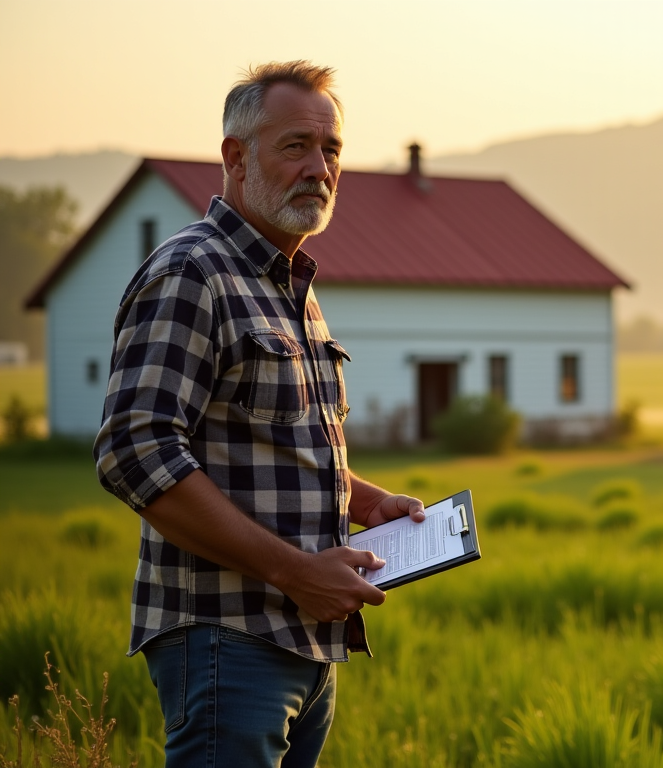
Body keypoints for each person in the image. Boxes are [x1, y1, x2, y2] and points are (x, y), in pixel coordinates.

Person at [93, 61, 424, 768]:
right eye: (295, 146)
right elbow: (135, 452)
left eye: (331, 149)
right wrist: (295, 571)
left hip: (303, 641)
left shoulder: (290, 286)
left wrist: (369, 505)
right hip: (226, 639)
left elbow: (276, 442)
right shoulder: (193, 273)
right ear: (235, 158)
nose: (319, 168)